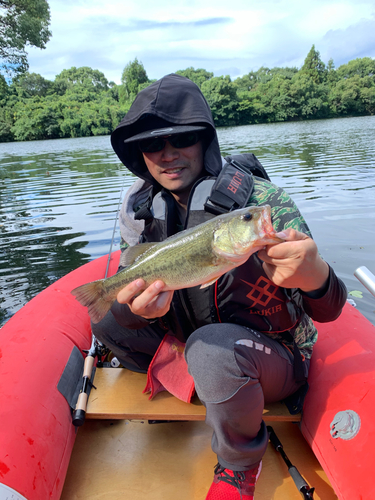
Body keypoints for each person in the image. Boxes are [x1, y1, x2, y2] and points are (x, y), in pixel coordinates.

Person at [93, 73, 347, 499]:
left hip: (273, 355)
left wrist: (314, 275)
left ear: (205, 141)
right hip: (199, 340)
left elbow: (331, 309)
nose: (168, 154)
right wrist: (133, 310)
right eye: (153, 144)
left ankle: (238, 465)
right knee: (108, 326)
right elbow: (124, 298)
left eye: (183, 139)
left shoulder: (262, 204)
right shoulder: (139, 211)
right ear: (139, 153)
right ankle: (206, 377)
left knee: (209, 346)